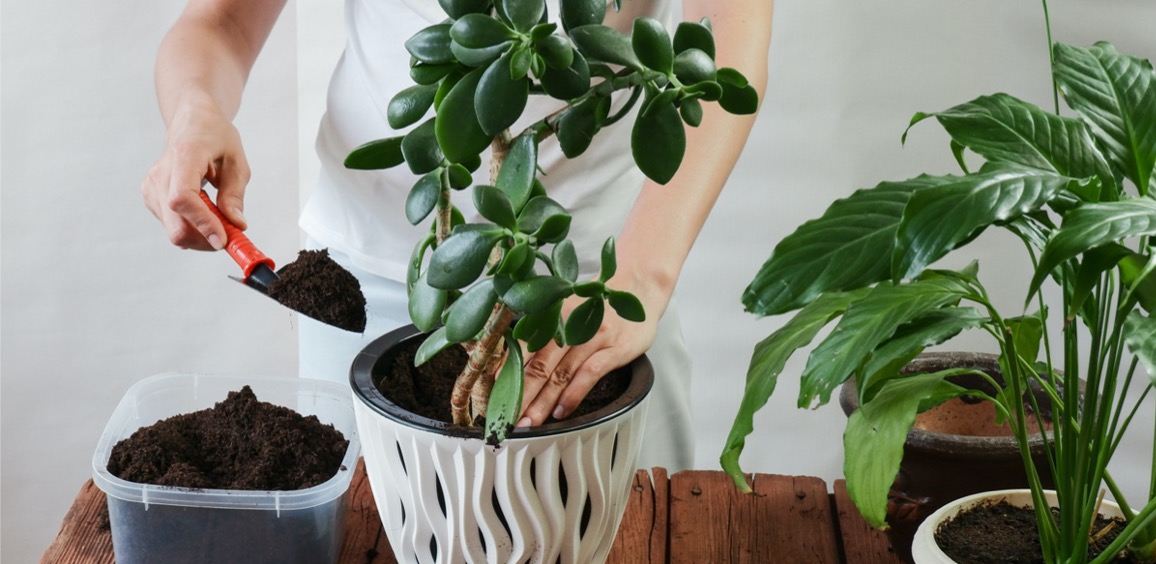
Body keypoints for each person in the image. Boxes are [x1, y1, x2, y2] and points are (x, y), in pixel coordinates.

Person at [142, 0, 772, 473]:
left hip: (592, 292)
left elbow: (727, 49)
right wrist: (196, 108)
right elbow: (221, 21)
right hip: (365, 289)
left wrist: (642, 276)